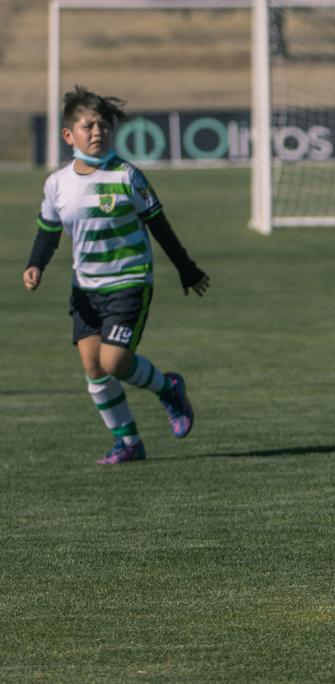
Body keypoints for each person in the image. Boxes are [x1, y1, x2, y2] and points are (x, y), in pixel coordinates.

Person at [23, 85, 210, 465]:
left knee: (114, 363)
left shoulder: (128, 176)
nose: (97, 132)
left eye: (104, 126)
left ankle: (169, 388)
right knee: (93, 369)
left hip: (129, 282)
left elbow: (158, 224)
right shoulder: (57, 184)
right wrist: (35, 265)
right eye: (88, 125)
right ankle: (128, 443)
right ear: (68, 135)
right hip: (85, 289)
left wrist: (186, 269)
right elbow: (48, 230)